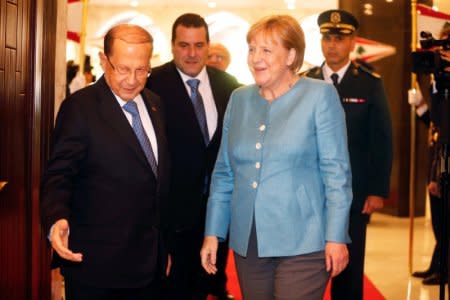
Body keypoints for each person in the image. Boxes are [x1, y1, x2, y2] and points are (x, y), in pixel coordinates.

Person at [200, 15, 352, 300]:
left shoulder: (320, 96)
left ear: (291, 55)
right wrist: (213, 233)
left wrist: (336, 236)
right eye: (252, 49)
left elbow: (337, 173)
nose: (255, 58)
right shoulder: (239, 99)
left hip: (305, 240)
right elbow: (224, 172)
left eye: (266, 50)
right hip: (249, 243)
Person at [40, 24, 170, 299]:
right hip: (96, 267)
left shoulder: (156, 103)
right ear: (103, 60)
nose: (132, 80)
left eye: (142, 70)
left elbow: (155, 180)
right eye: (123, 68)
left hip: (149, 265)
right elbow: (59, 174)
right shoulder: (80, 107)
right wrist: (57, 217)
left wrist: (163, 247)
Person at [146, 13, 240, 300]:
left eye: (199, 45)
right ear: (173, 45)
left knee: (208, 280)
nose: (191, 53)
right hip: (172, 212)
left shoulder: (229, 85)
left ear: (208, 46)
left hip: (217, 209)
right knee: (175, 288)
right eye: (184, 45)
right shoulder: (152, 85)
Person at [305, 9, 393, 299]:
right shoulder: (306, 82)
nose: (332, 44)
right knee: (309, 268)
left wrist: (377, 190)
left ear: (352, 41)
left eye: (340, 39)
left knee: (349, 273)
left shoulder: (369, 83)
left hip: (353, 194)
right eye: (327, 38)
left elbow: (381, 140)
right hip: (310, 193)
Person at [410, 24, 450, 285]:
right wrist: (422, 106)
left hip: (446, 163)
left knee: (446, 222)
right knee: (439, 220)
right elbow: (437, 123)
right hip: (437, 157)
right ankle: (438, 263)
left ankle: (444, 268)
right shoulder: (440, 81)